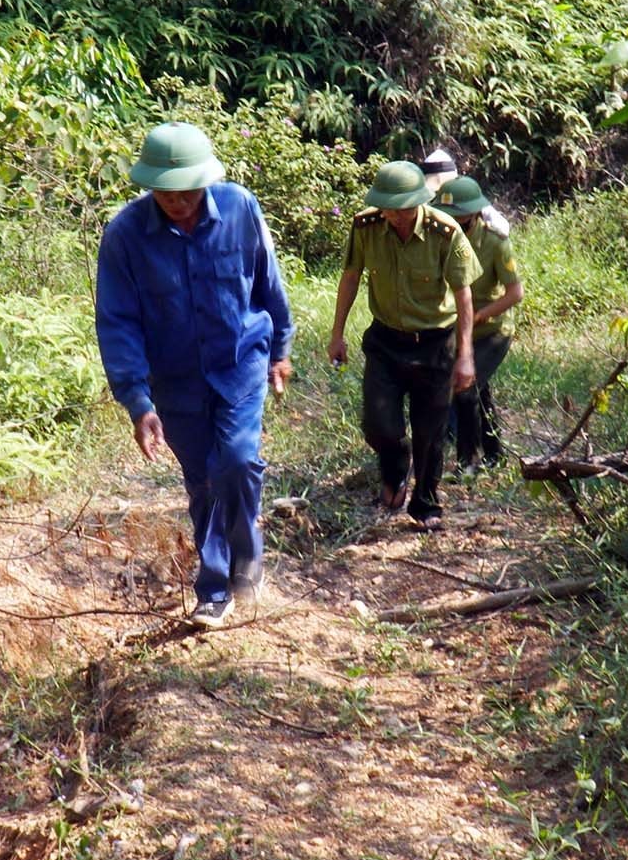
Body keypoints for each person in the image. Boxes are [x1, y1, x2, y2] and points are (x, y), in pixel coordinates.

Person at [94, 123, 294, 629]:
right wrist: (138, 402)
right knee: (203, 481)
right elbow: (118, 322)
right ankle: (216, 588)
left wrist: (281, 350)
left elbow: (268, 282)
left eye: (187, 192)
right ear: (150, 187)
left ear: (206, 181)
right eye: (166, 194)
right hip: (175, 380)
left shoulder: (240, 208)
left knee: (237, 461)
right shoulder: (125, 237)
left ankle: (235, 569)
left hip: (240, 361)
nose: (179, 203)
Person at [327, 160, 478, 530]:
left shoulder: (446, 232)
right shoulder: (366, 226)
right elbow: (350, 276)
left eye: (404, 208)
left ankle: (425, 503)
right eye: (389, 208)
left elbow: (463, 296)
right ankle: (395, 468)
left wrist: (465, 355)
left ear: (419, 201)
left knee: (431, 431)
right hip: (386, 341)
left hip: (434, 343)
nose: (396, 216)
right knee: (379, 425)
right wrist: (337, 333)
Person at [433, 176, 521, 470]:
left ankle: (468, 462)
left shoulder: (495, 242)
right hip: (459, 329)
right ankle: (495, 453)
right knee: (478, 390)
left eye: (459, 218)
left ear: (473, 214)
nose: (453, 223)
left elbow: (514, 293)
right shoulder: (445, 239)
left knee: (465, 388)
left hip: (493, 329)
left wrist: (480, 315)